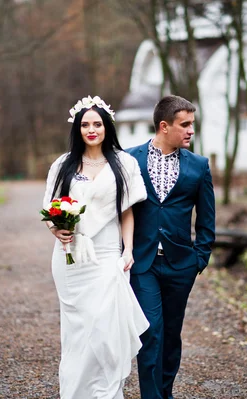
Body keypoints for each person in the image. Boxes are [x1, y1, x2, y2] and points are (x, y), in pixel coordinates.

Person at [42, 95, 150, 399]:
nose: (91, 129)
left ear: (107, 126)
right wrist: (57, 231)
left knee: (104, 328)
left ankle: (106, 392)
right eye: (85, 124)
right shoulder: (63, 165)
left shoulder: (124, 163)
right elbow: (50, 209)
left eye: (97, 123)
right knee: (77, 334)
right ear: (77, 128)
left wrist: (128, 249)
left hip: (105, 255)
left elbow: (127, 211)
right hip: (70, 257)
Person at [126, 95, 216, 399]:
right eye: (185, 124)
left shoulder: (199, 166)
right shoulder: (129, 160)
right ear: (164, 126)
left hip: (181, 265)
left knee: (171, 335)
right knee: (150, 331)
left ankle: (165, 392)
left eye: (193, 124)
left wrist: (199, 259)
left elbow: (206, 219)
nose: (191, 130)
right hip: (143, 263)